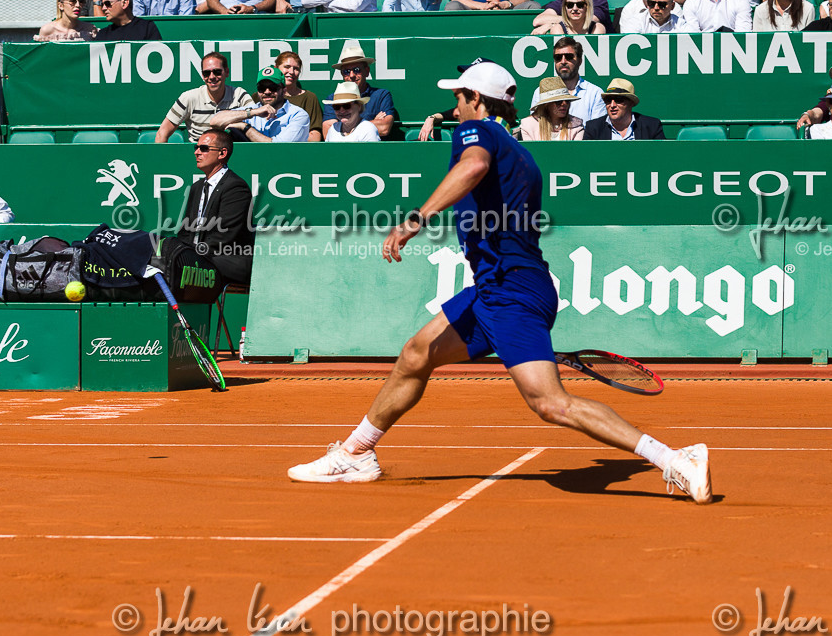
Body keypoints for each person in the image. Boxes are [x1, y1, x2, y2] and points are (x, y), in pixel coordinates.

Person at [287, 61, 712, 502]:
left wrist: (417, 218)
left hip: (510, 290)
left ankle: (675, 458)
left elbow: (471, 168)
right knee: (416, 355)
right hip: (498, 287)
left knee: (550, 403)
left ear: (476, 100)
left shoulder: (480, 133)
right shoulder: (520, 153)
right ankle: (356, 452)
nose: (453, 106)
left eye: (459, 97)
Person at [158, 129, 254, 303]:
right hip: (202, 257)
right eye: (196, 147)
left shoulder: (236, 187)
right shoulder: (197, 187)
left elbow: (225, 236)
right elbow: (185, 232)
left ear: (222, 153)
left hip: (228, 260)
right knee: (165, 263)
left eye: (203, 148)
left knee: (181, 269)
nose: (196, 152)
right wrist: (179, 252)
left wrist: (192, 255)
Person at [157, 51, 255, 143]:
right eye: (207, 73)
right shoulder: (189, 97)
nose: (212, 77)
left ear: (227, 72)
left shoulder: (239, 95)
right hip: (198, 155)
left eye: (217, 72)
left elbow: (257, 126)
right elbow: (162, 133)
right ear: (203, 76)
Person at [213, 68, 310, 143]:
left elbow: (280, 148)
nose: (267, 92)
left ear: (284, 90)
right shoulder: (252, 111)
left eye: (273, 87)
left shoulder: (298, 114)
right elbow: (215, 121)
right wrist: (252, 112)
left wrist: (245, 127)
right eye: (262, 88)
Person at [331, 41, 397, 138]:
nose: (352, 75)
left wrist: (347, 127)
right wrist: (371, 124)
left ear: (366, 71)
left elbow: (384, 128)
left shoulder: (381, 95)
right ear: (342, 75)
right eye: (346, 71)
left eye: (357, 70)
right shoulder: (334, 99)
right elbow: (329, 131)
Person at [583, 79, 666, 140]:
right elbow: (586, 158)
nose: (612, 105)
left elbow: (662, 155)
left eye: (618, 99)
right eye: (608, 100)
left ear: (631, 103)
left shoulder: (651, 126)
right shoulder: (593, 128)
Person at [550, 36, 607, 123]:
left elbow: (597, 133)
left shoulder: (595, 93)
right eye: (558, 57)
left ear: (580, 61)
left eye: (569, 57)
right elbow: (535, 129)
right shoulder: (541, 92)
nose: (563, 61)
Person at [518, 76, 585, 141]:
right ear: (546, 105)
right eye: (558, 102)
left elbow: (577, 151)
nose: (564, 104)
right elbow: (530, 150)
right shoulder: (527, 125)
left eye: (567, 101)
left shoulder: (576, 125)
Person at [95, 0, 164, 41]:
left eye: (107, 3)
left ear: (124, 3)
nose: (103, 8)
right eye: (102, 4)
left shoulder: (147, 28)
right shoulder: (103, 35)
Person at [620, 0, 692, 33]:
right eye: (651, 3)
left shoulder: (682, 25)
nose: (656, 8)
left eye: (662, 4)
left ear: (672, 6)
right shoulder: (635, 22)